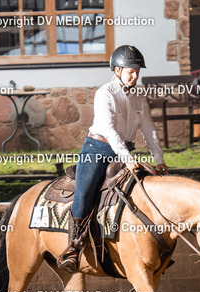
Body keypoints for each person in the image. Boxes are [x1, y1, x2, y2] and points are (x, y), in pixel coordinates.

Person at [57, 45, 168, 273]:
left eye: (137, 71)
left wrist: (159, 159)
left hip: (124, 151)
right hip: (97, 149)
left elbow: (149, 130)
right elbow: (108, 129)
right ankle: (73, 247)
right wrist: (126, 157)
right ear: (117, 70)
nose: (135, 75)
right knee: (85, 194)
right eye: (131, 71)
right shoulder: (104, 93)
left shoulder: (139, 97)